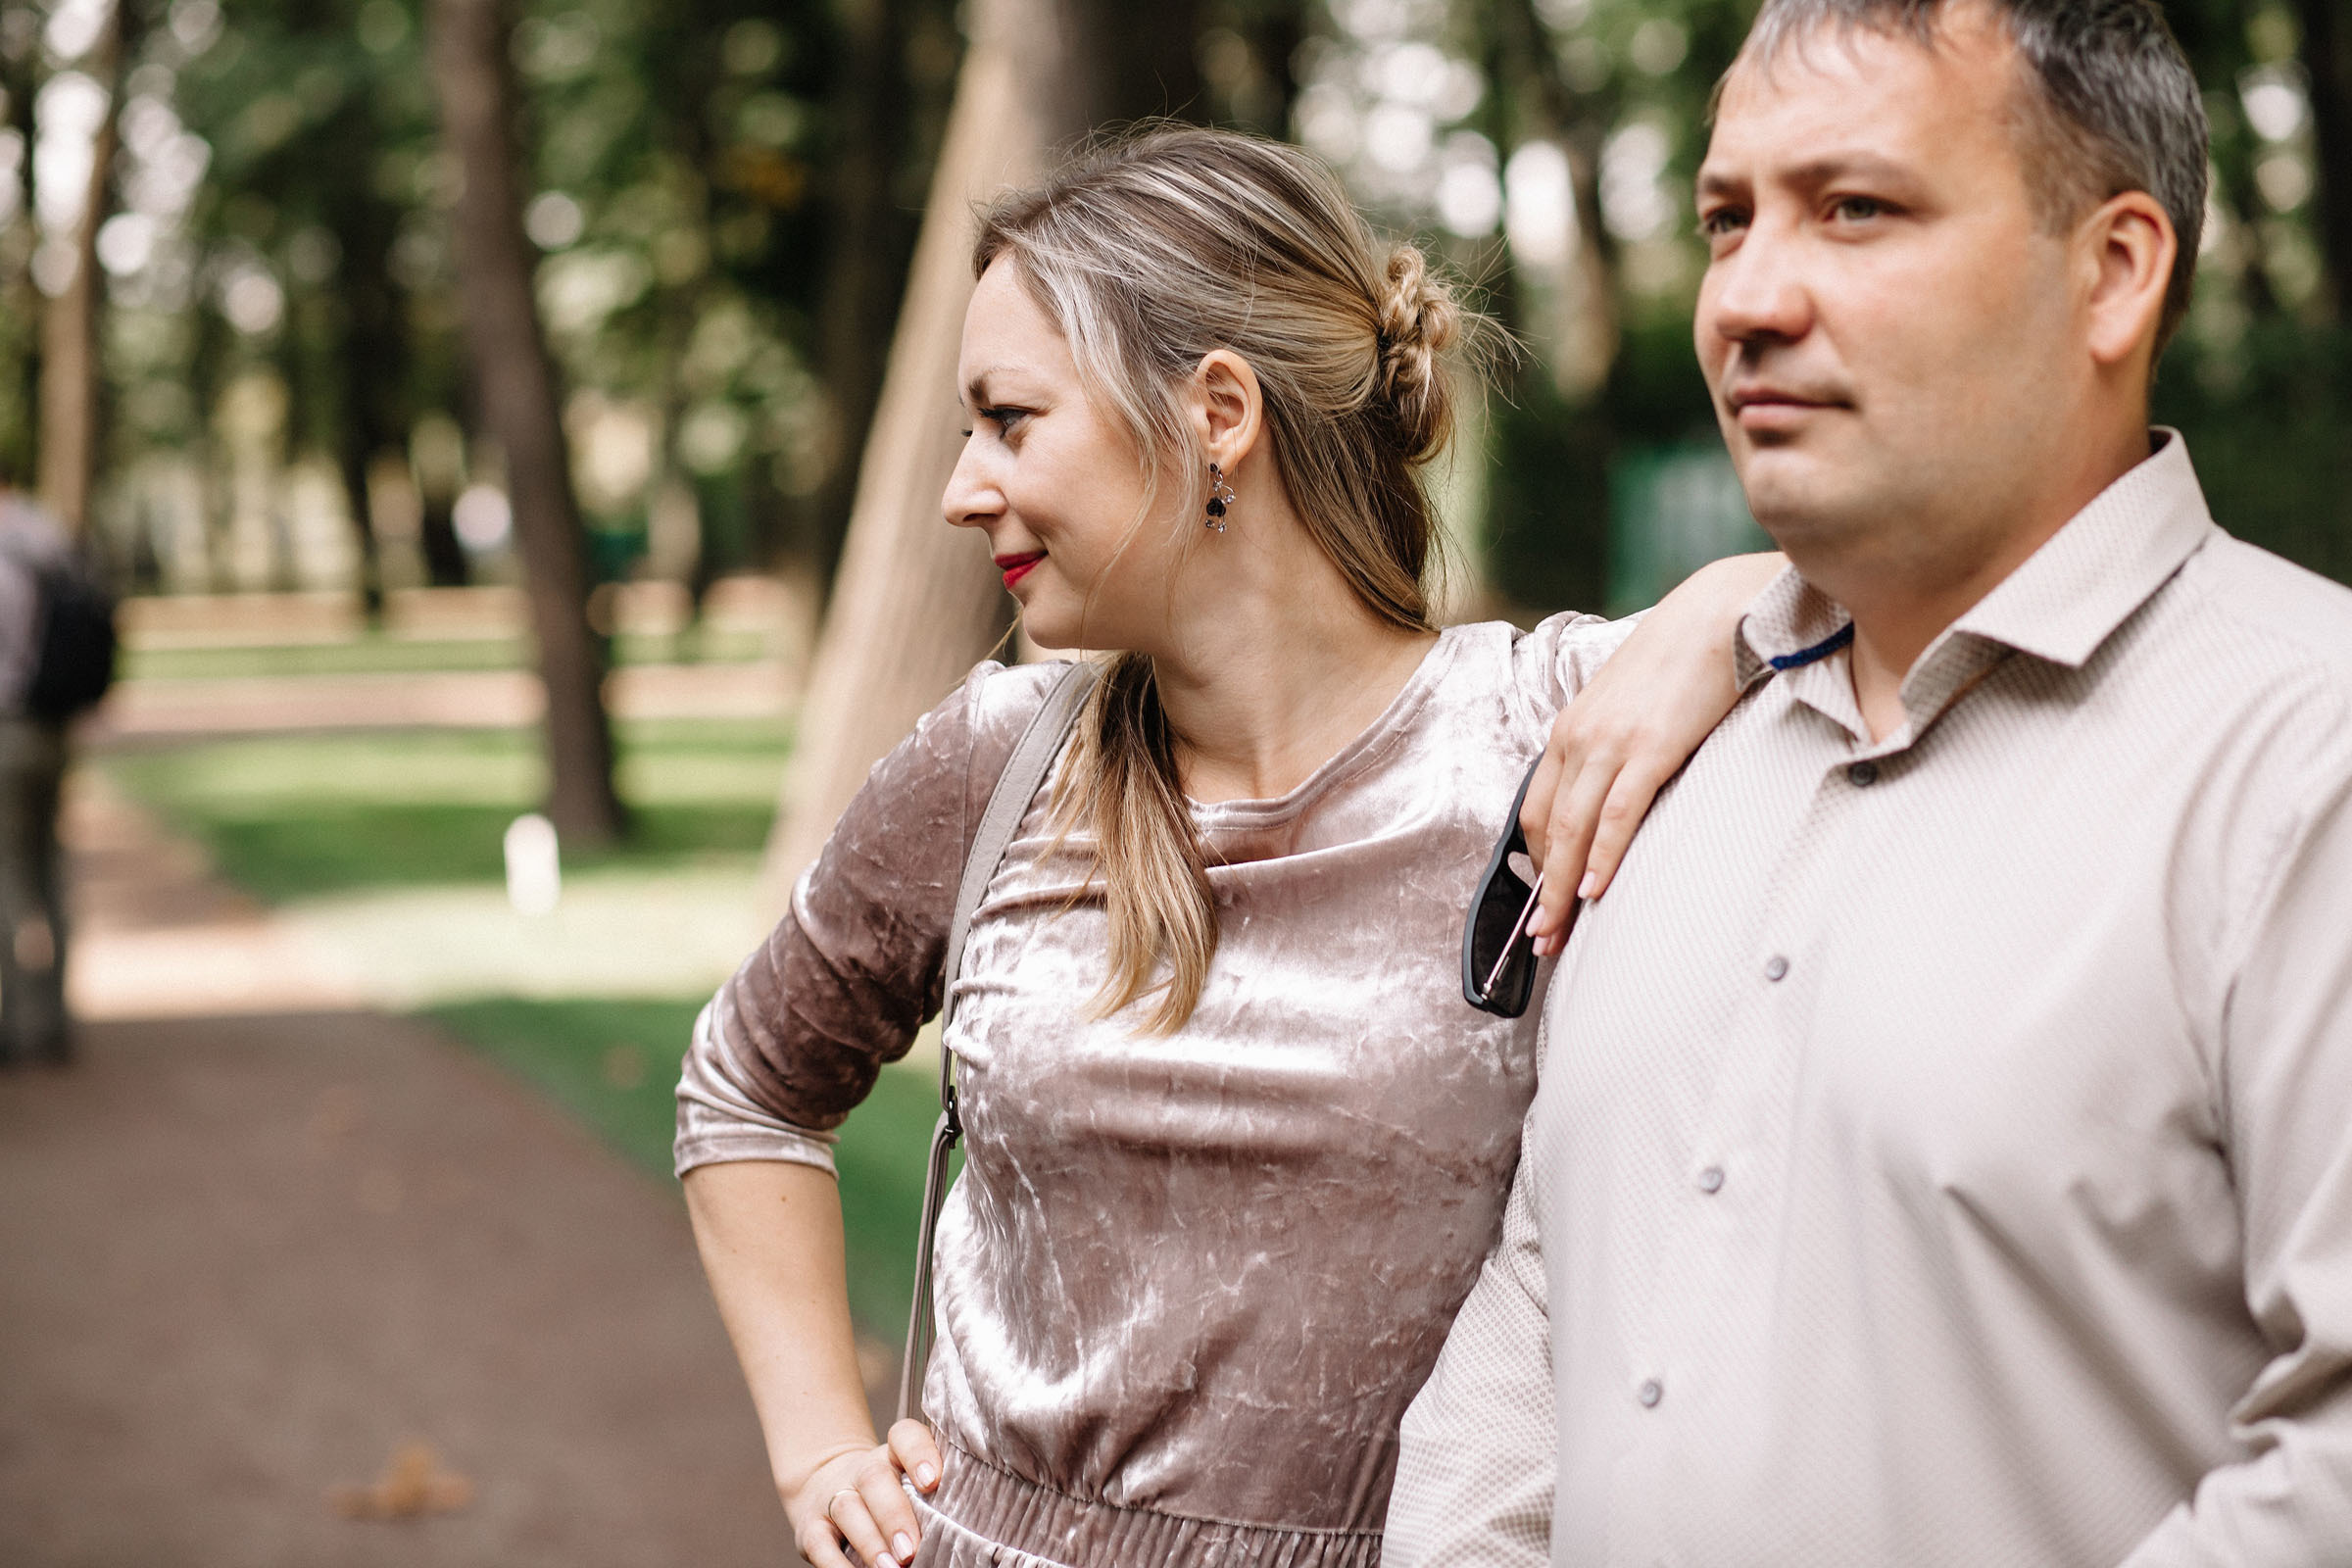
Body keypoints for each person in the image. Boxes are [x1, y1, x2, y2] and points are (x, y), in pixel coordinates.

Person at [675, 126, 1782, 1568]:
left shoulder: (1551, 731)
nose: (961, 489)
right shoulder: (997, 762)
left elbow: (1935, 575)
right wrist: (822, 1446)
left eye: (1011, 422)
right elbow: (748, 1088)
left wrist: (1741, 600)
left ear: (1217, 413)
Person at [1389, 2, 2352, 1565]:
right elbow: (1554, 1279)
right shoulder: (1673, 745)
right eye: (1724, 222)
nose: (1747, 299)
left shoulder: (2309, 760)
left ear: (2113, 273)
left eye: (1856, 210)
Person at [0, 485, 75, 1066]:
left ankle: (12, 1021)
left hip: (6, 726)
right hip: (53, 726)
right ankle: (53, 1016)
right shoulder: (43, 531)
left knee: (7, 874)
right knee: (51, 866)